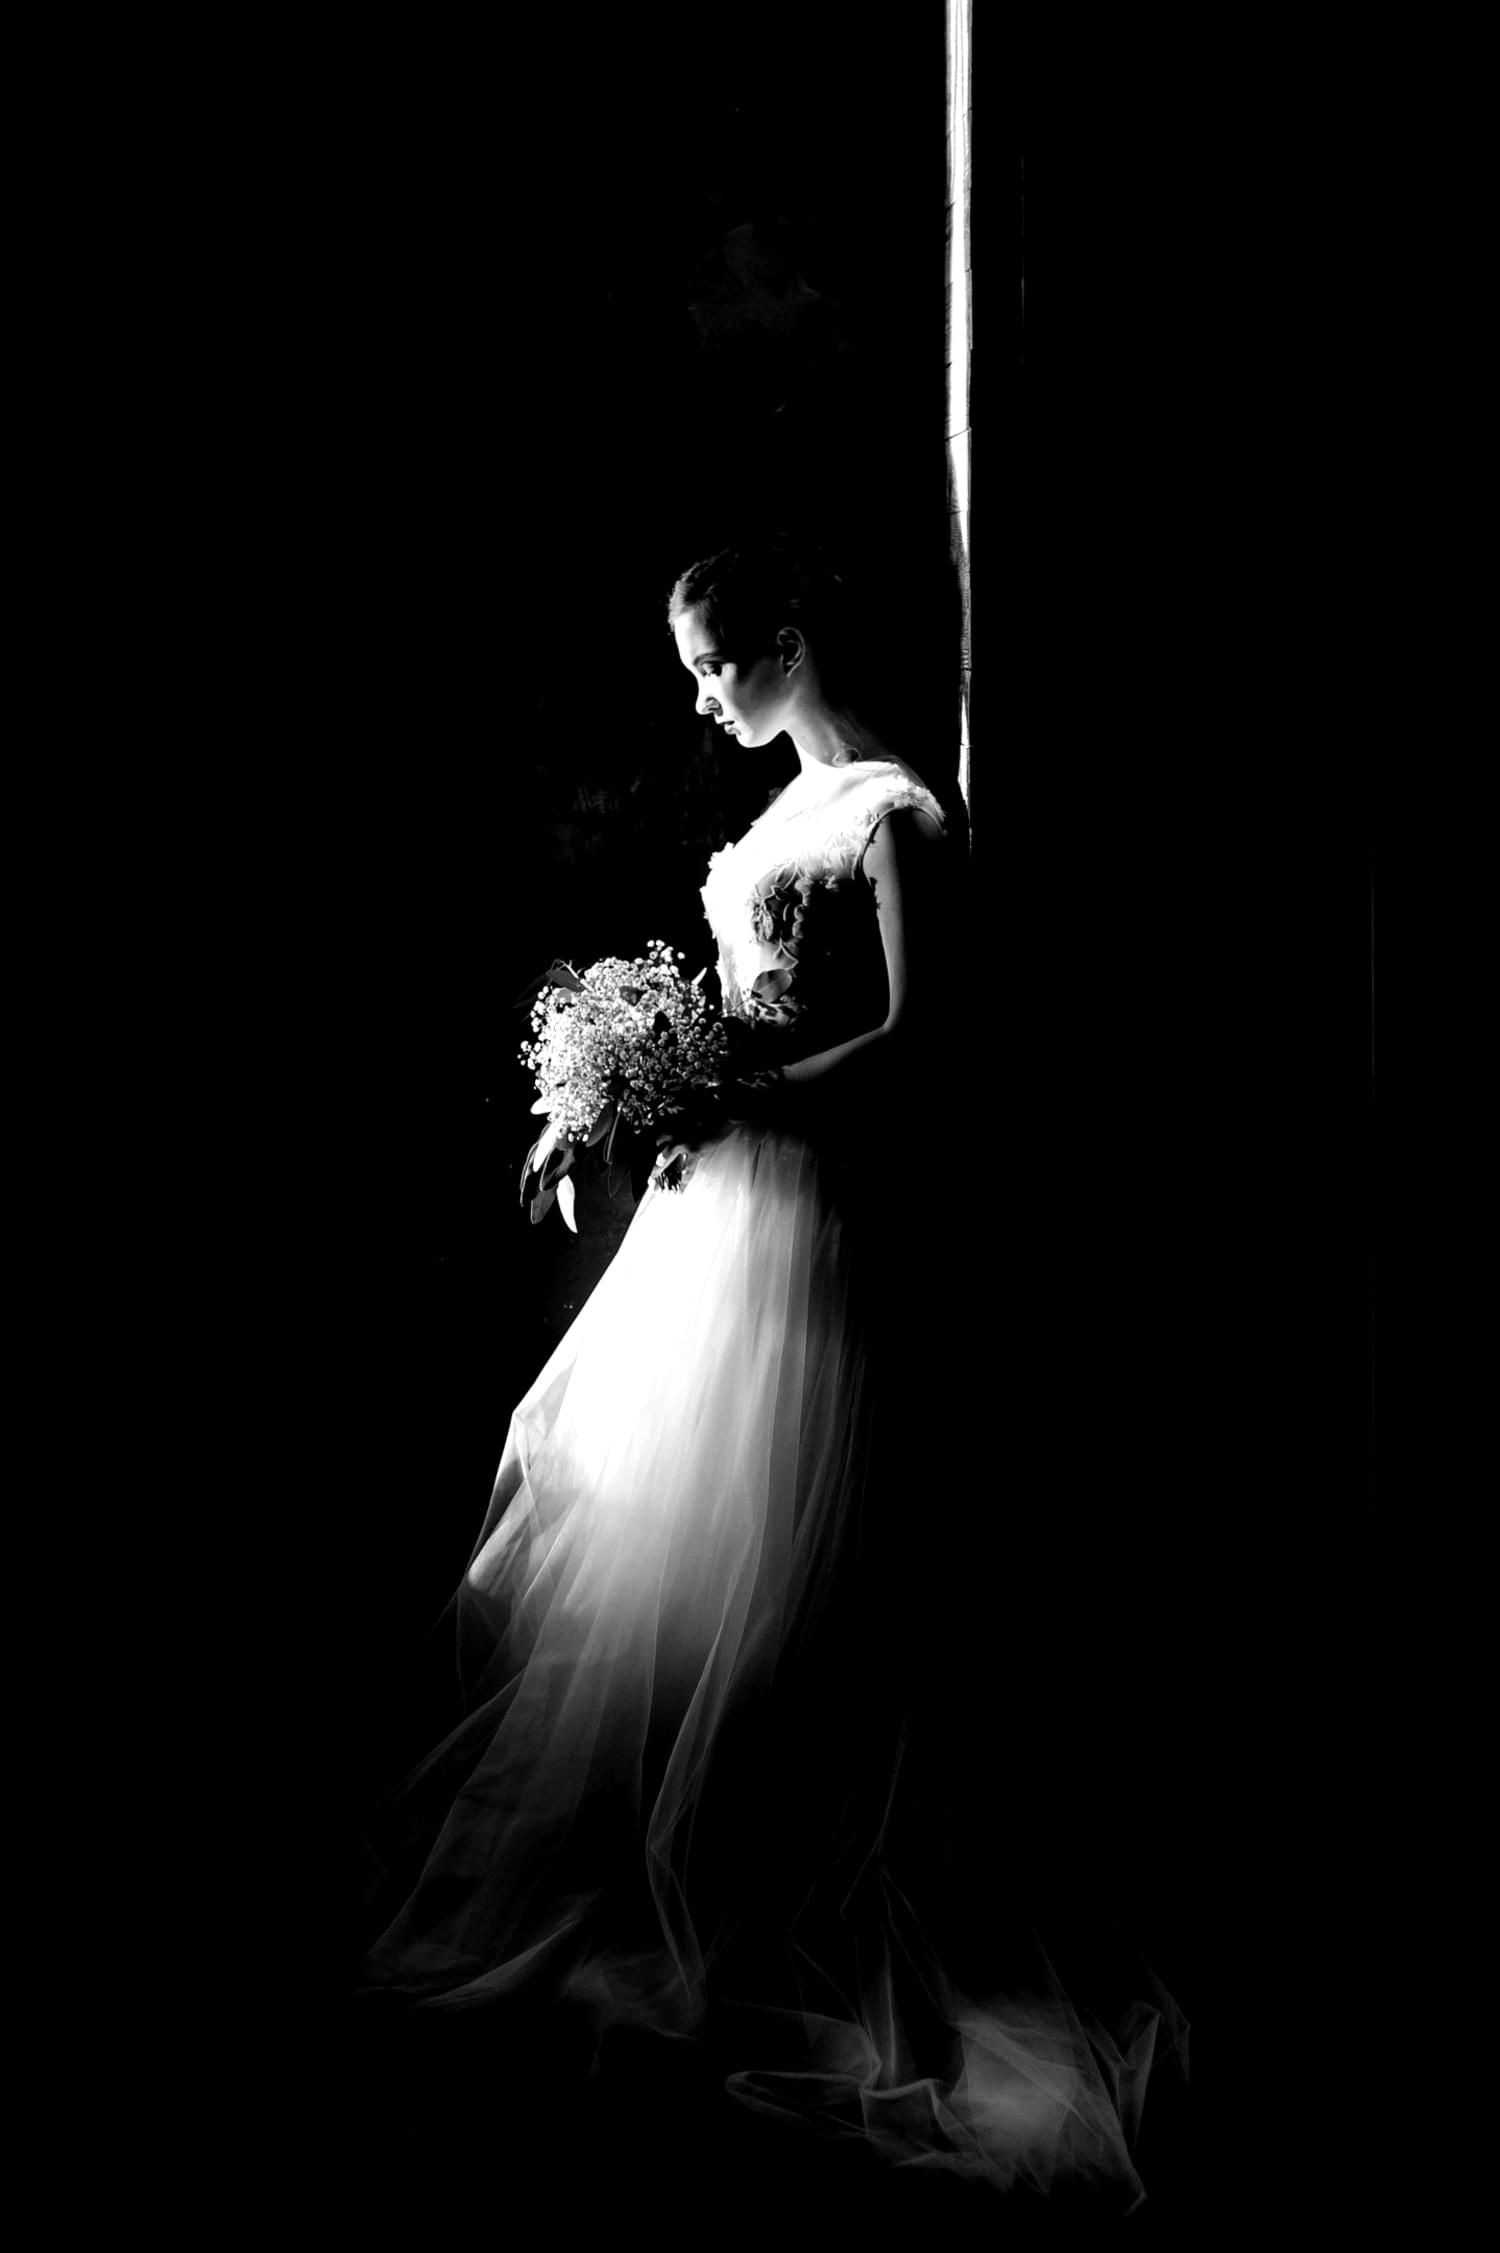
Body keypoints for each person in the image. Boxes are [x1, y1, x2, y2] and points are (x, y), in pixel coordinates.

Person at [359, 546, 1181, 2209]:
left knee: (811, 1568)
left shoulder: (897, 814)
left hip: (824, 1217)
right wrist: (616, 1095)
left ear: (789, 641)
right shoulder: (773, 821)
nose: (700, 697)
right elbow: (731, 1020)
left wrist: (737, 1099)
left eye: (714, 663)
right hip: (720, 1218)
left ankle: (795, 1903)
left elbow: (921, 1040)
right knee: (672, 1557)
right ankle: (698, 1880)